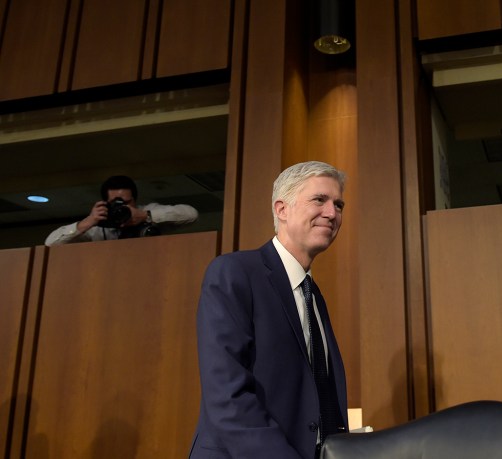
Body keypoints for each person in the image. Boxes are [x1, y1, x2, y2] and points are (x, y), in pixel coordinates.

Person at [189, 161, 349, 459]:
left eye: (338, 204)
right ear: (281, 209)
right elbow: (228, 397)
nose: (332, 213)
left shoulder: (313, 295)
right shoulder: (234, 273)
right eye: (320, 200)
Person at [44, 175, 198, 246]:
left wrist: (146, 216)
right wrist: (88, 222)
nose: (120, 207)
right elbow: (50, 244)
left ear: (135, 200)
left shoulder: (146, 211)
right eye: (114, 203)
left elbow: (191, 214)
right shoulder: (98, 225)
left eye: (126, 202)